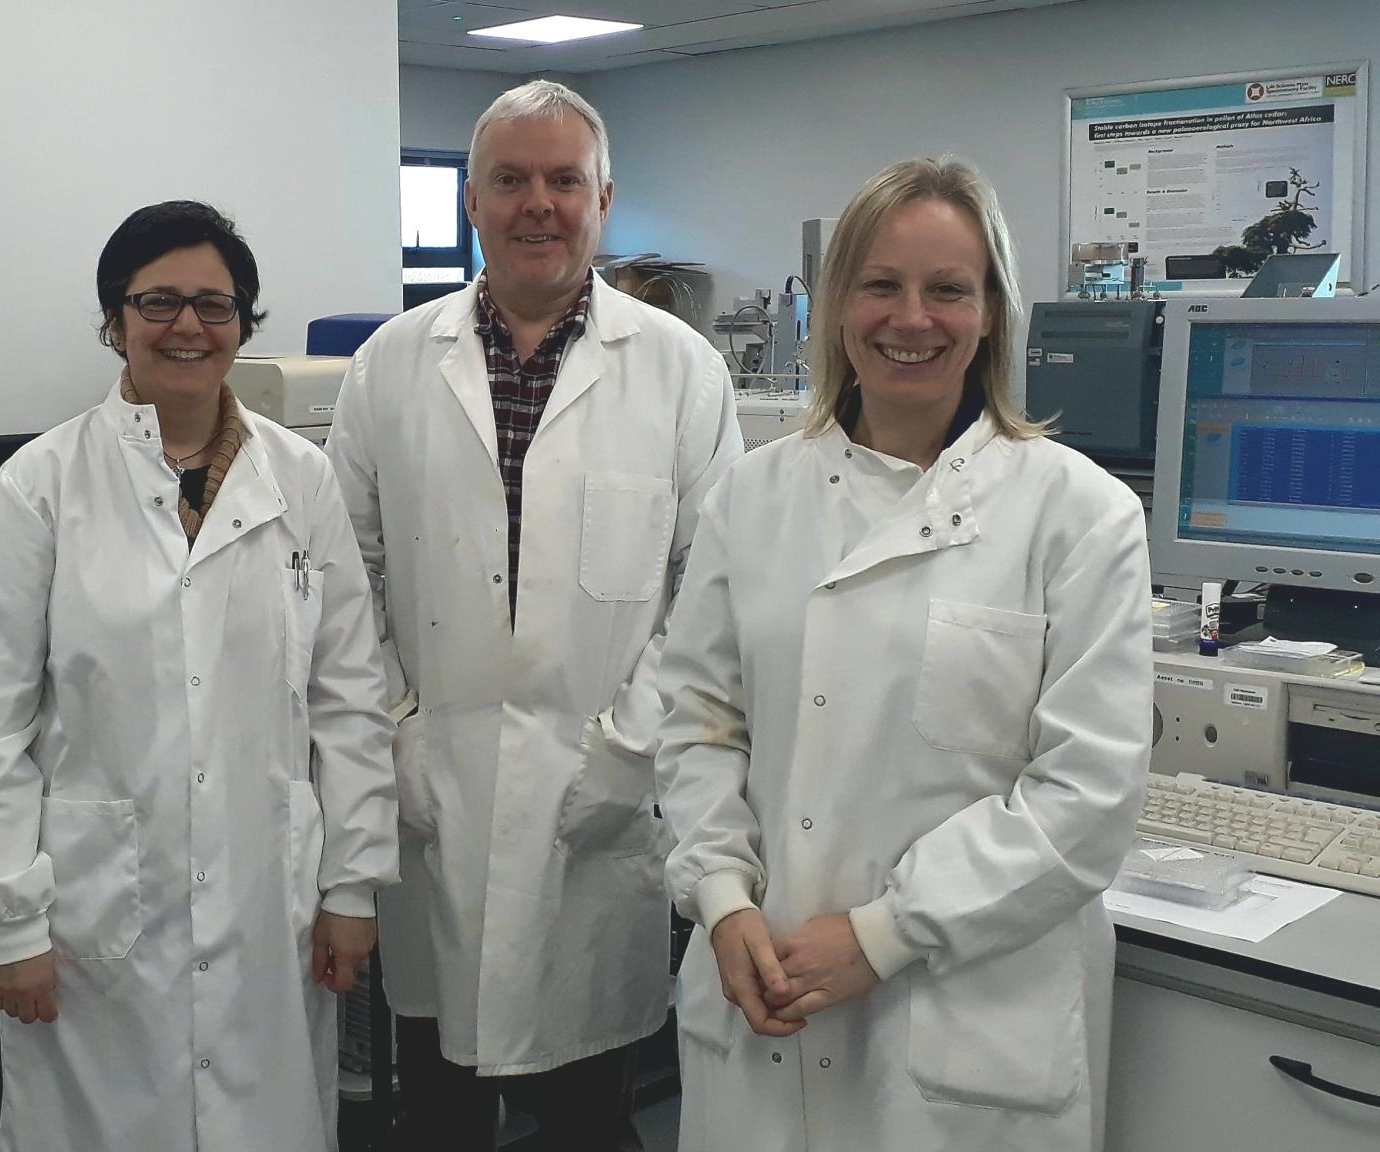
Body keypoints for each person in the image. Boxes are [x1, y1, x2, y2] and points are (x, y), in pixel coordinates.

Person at [655, 157, 1153, 1152]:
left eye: (947, 290)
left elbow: (1085, 801)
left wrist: (885, 937)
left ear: (991, 312)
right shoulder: (752, 499)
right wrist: (719, 897)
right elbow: (700, 726)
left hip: (964, 1026)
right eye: (881, 285)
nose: (910, 319)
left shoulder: (1080, 516)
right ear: (839, 305)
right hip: (765, 998)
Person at [326, 80, 742, 1149]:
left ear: (605, 197)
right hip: (435, 801)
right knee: (437, 1111)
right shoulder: (389, 367)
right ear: (472, 200)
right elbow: (342, 583)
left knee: (590, 1120)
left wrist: (633, 751)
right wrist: (396, 733)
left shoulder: (679, 371)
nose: (537, 204)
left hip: (597, 812)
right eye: (511, 180)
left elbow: (713, 590)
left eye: (564, 180)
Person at [0, 200, 399, 1152]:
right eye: (159, 302)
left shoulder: (301, 480)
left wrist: (351, 887)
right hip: (97, 917)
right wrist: (11, 923)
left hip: (269, 906)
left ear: (243, 324)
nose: (188, 326)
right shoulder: (38, 488)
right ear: (114, 320)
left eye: (215, 305)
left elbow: (349, 701)